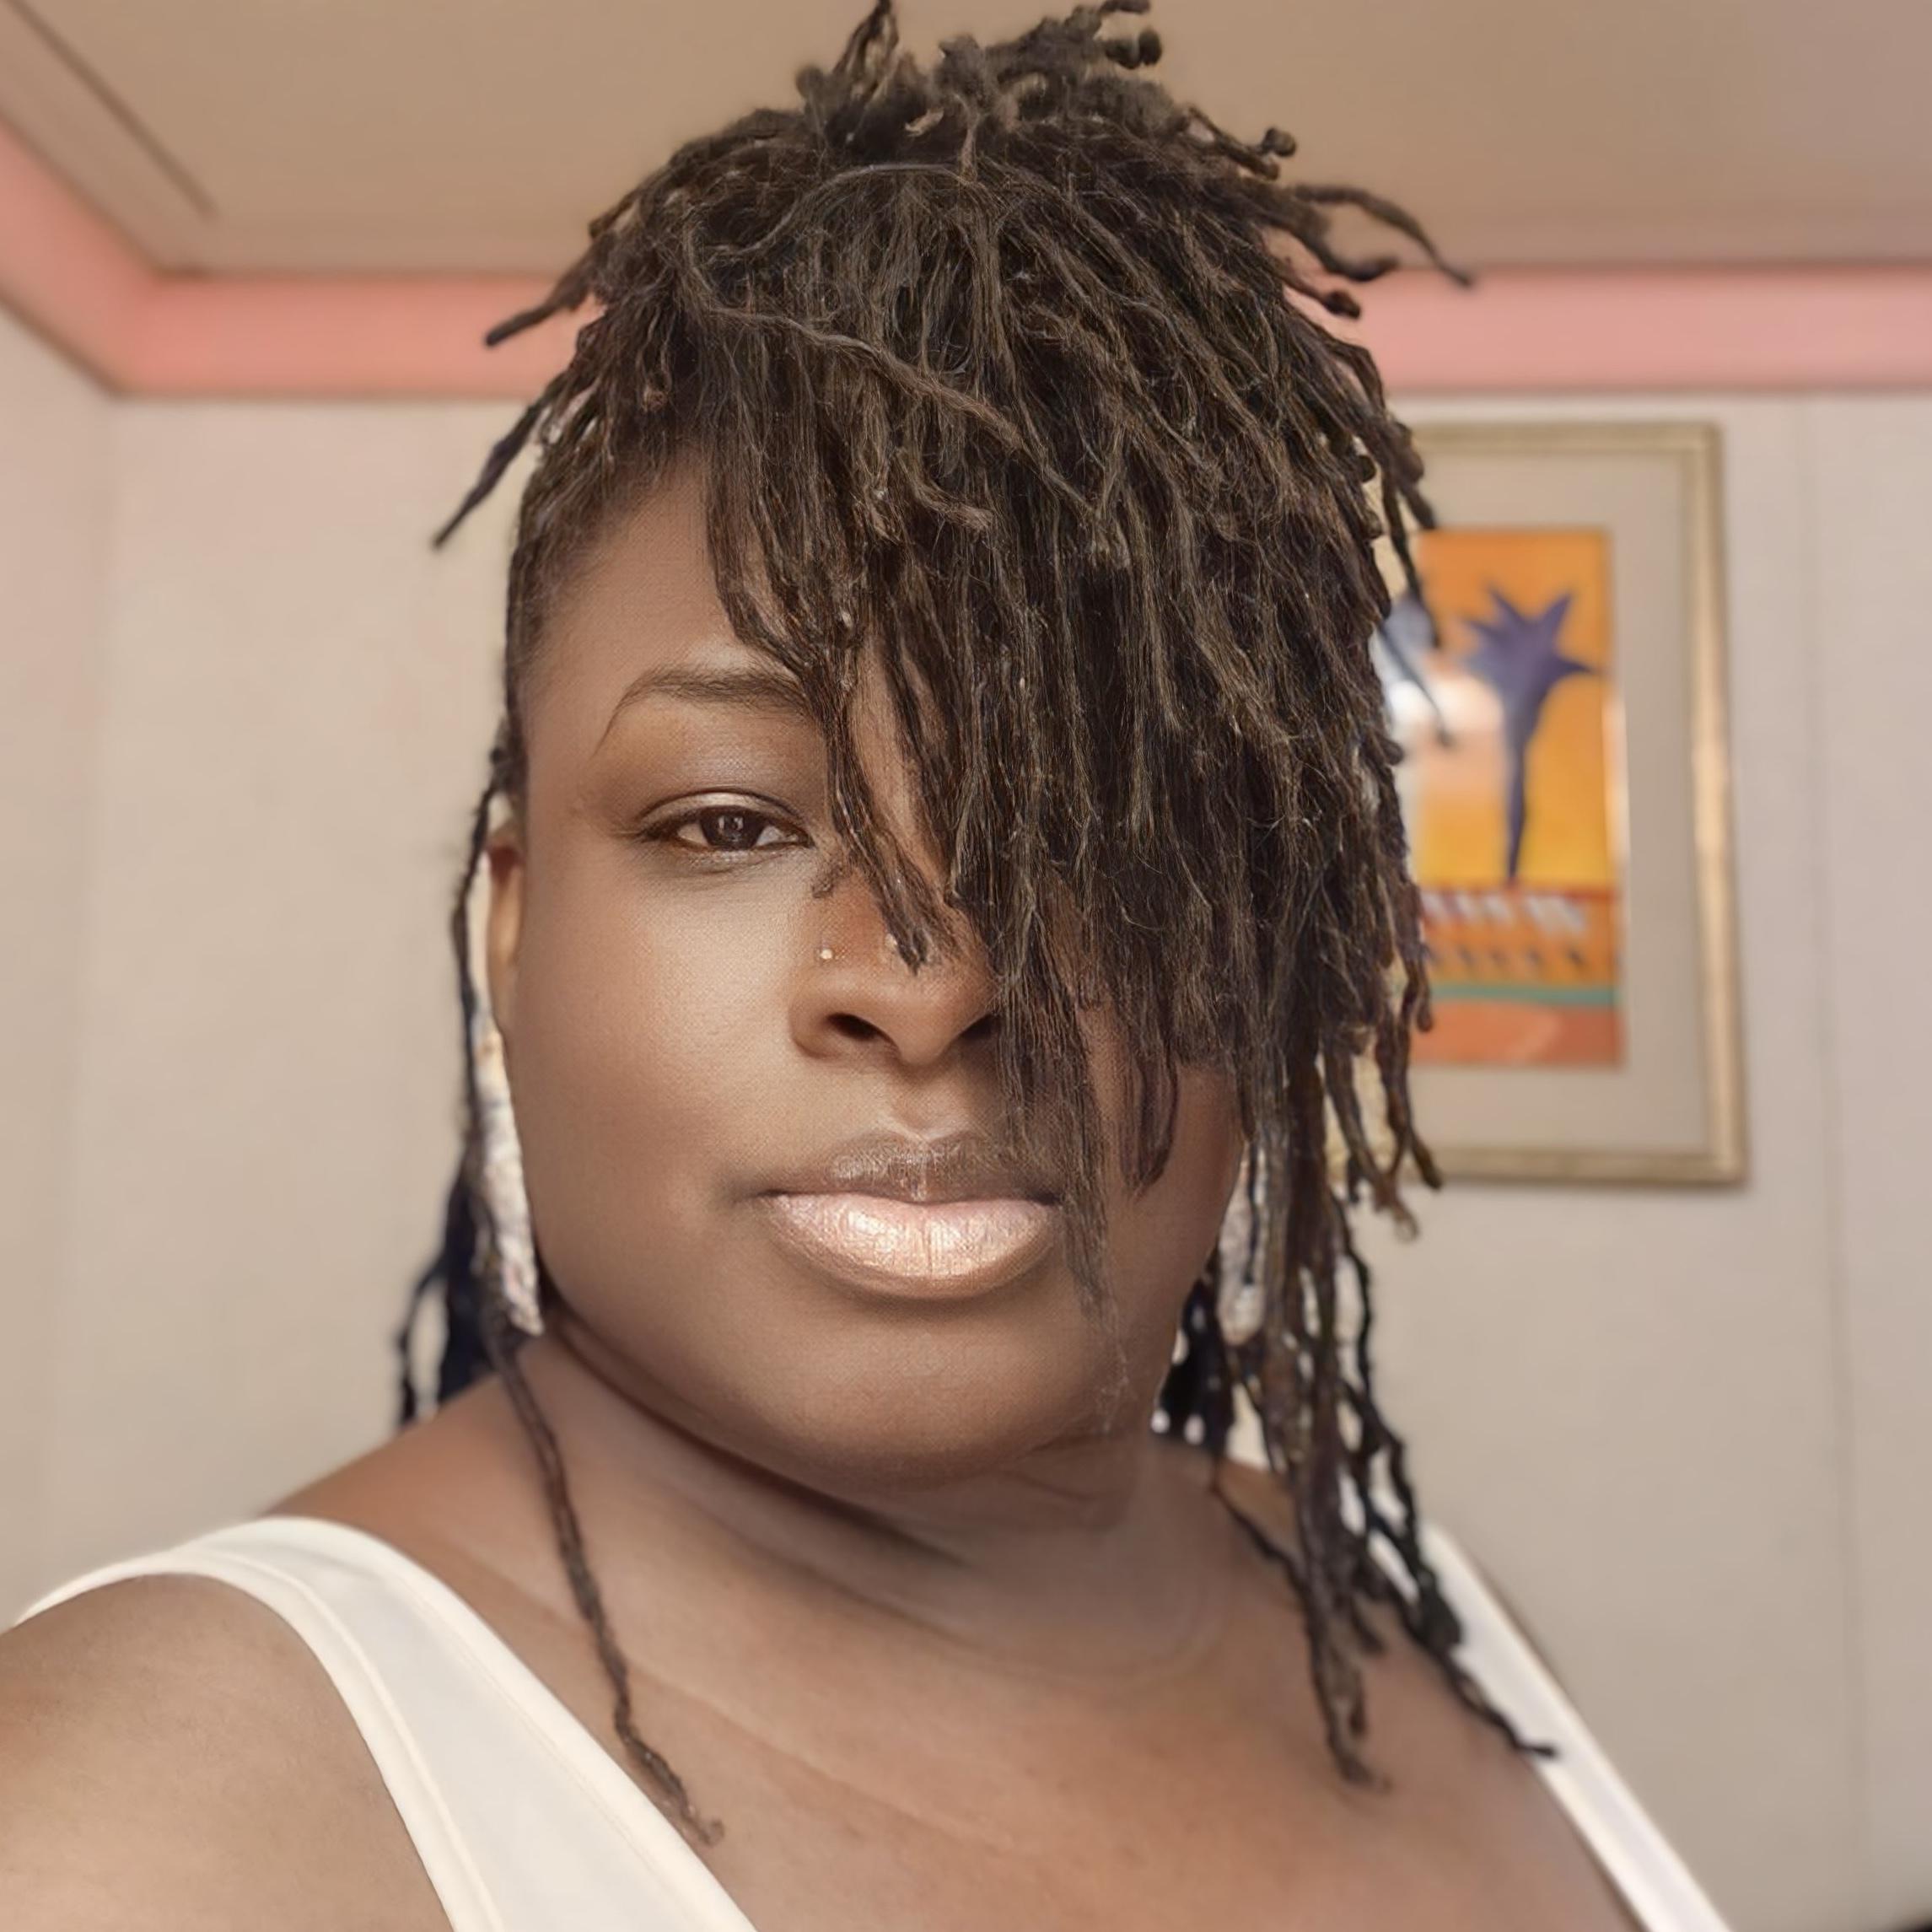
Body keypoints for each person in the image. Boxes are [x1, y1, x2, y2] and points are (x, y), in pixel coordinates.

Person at [0, 4, 1732, 1927]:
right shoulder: (123, 1830)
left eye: (1095, 835)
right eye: (728, 824)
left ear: (1283, 956)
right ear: (513, 926)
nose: (926, 982)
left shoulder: (1436, 1639)